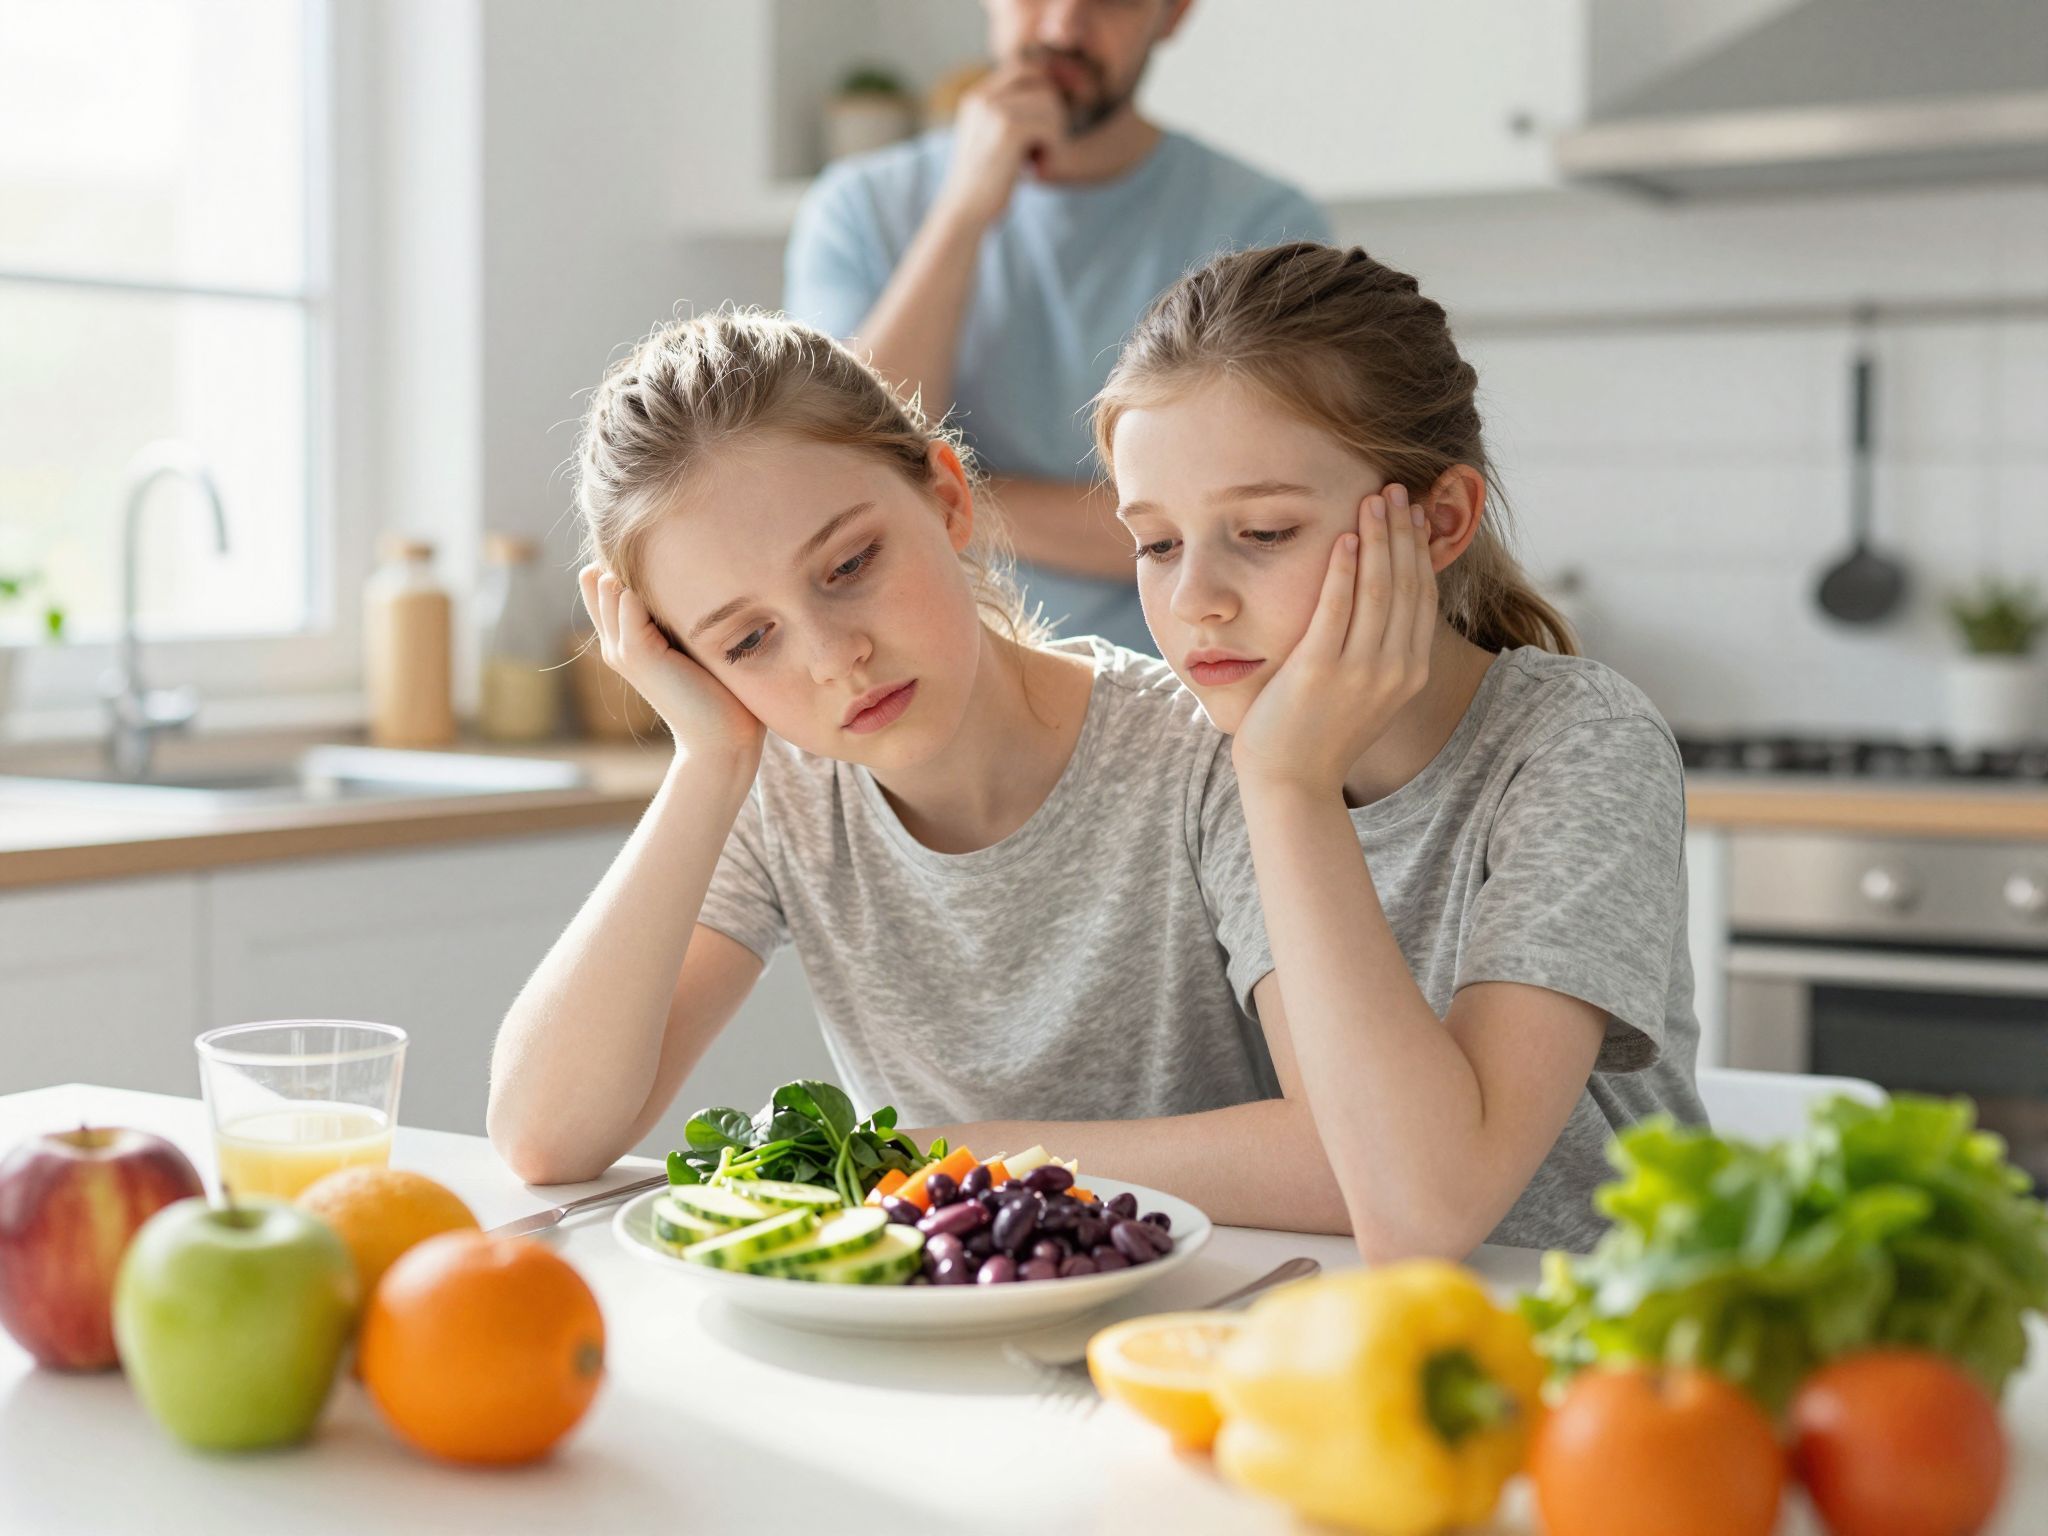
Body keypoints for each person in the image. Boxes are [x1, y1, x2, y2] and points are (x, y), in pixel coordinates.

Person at [486, 308, 1348, 1233]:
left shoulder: (1204, 759)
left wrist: (946, 1161)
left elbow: (1344, 1160)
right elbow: (544, 1135)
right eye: (747, 640)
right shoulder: (786, 789)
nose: (832, 656)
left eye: (850, 563)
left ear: (946, 499)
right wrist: (708, 757)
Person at [1080, 241, 1709, 1256]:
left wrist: (1286, 787)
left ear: (1438, 519)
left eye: (1265, 531)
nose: (1193, 598)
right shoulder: (1194, 757)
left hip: (1598, 1340)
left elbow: (1422, 1212)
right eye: (1155, 543)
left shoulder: (1578, 749)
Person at [784, 0, 1329, 655]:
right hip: (932, 680)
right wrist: (963, 212)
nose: (1063, 27)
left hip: (1184, 685)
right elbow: (838, 467)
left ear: (1174, 13)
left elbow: (1243, 524)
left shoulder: (1264, 225)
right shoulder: (857, 211)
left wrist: (935, 500)